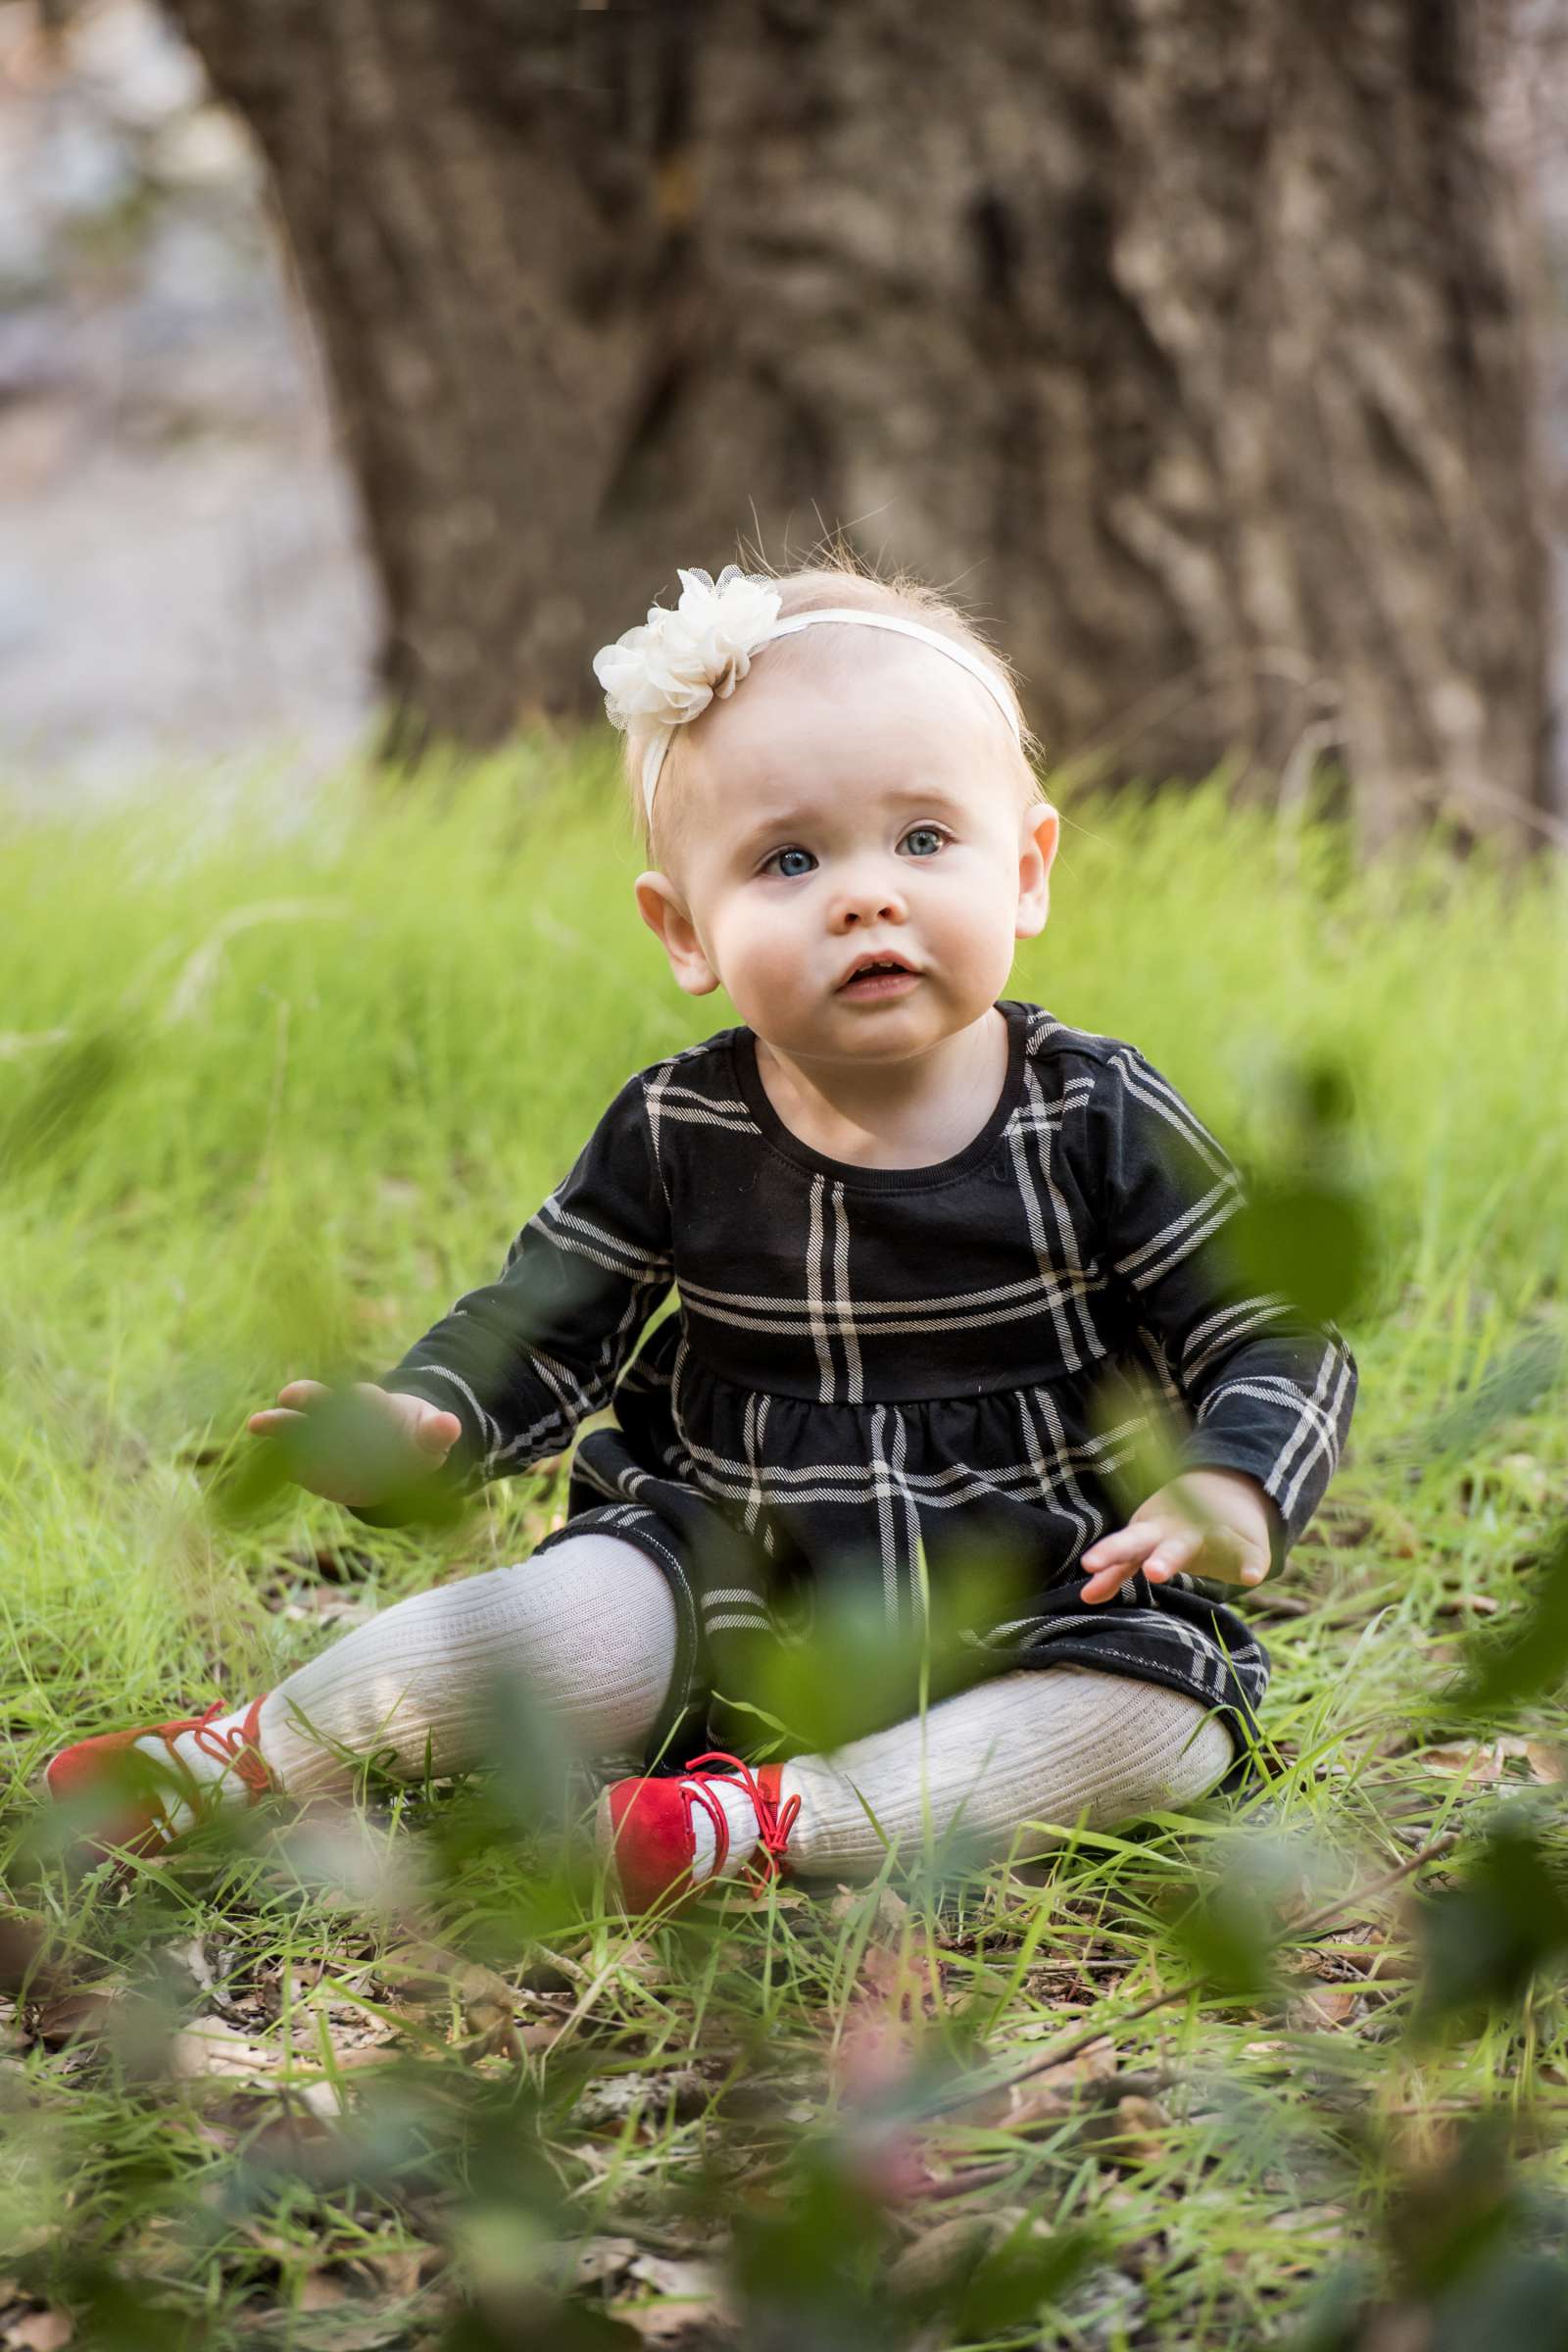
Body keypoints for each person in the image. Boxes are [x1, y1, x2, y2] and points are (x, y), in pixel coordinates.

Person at [45, 558, 1356, 1907]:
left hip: (1042, 1583)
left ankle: (761, 1825)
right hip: (727, 1559)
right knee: (567, 1621)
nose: (866, 896)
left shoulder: (1094, 1111)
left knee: (1163, 1726)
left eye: (922, 840)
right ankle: (252, 1757)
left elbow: (1269, 1330)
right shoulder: (680, 1125)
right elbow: (548, 1316)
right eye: (790, 859)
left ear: (1024, 872)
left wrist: (1233, 1482)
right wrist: (428, 1417)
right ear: (685, 930)